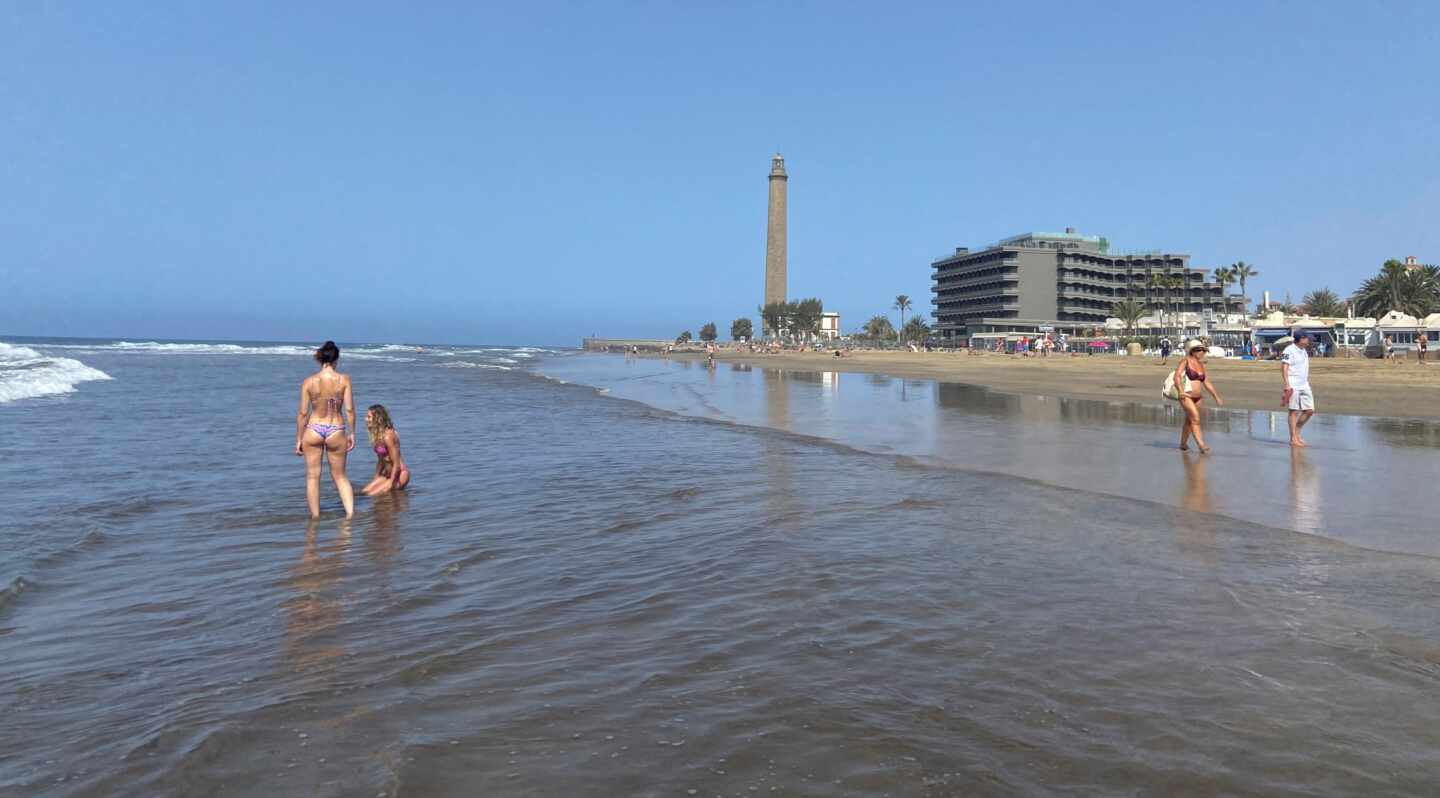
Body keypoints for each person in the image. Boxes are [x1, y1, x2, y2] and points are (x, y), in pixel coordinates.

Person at [295, 341, 356, 518]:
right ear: (336, 358)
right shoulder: (344, 380)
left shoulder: (309, 382)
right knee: (340, 476)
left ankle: (315, 518)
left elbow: (302, 413)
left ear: (320, 359)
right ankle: (350, 515)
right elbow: (350, 410)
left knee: (313, 477)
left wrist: (299, 438)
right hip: (335, 428)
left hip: (313, 428)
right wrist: (352, 433)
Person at [1174, 339, 1224, 452]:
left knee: (1189, 420)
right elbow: (1177, 376)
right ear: (1193, 351)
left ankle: (1183, 444)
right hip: (1186, 395)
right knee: (1196, 419)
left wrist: (1216, 397)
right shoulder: (1185, 361)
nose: (1202, 353)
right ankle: (1201, 445)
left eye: (1204, 351)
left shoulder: (1201, 365)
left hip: (1198, 398)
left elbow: (1206, 382)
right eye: (1200, 350)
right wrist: (1181, 391)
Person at [362, 404, 410, 496]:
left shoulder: (388, 436)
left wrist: (391, 483)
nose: (365, 419)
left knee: (373, 495)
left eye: (368, 417)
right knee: (364, 493)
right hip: (387, 474)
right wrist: (376, 477)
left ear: (377, 419)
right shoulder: (378, 435)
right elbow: (381, 460)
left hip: (399, 474)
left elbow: (396, 463)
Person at [1281, 330, 1317, 447]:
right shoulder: (1288, 350)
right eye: (1307, 338)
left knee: (1309, 410)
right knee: (1293, 411)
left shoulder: (1304, 350)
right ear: (1301, 339)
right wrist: (1287, 384)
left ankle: (1297, 432)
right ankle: (1293, 438)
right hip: (1293, 384)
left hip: (1304, 384)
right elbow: (1284, 367)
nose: (1309, 340)